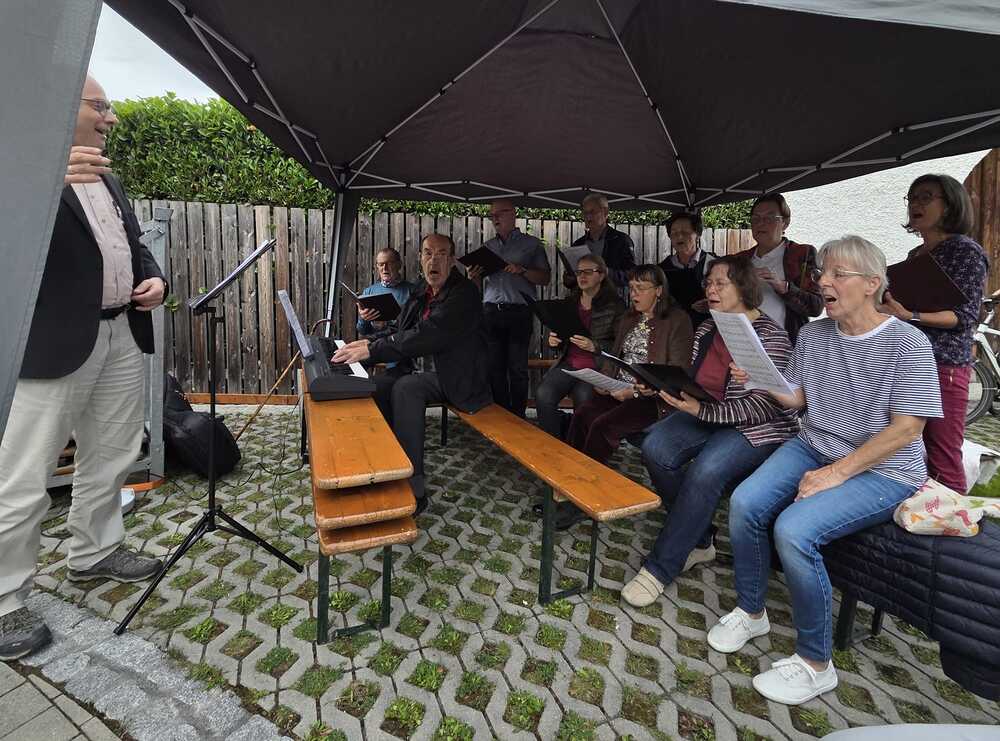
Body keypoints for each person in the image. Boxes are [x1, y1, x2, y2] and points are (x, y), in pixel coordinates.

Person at [707, 236, 942, 706]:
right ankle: (752, 612)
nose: (823, 282)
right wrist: (758, 378)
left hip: (885, 469)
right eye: (822, 273)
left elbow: (908, 429)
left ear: (872, 284)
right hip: (816, 445)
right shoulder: (814, 335)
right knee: (746, 503)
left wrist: (836, 474)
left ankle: (817, 664)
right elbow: (797, 398)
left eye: (837, 274)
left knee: (794, 530)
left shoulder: (908, 342)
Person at [0, 75, 167, 661]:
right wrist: (40, 184)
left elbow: (133, 245)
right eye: (101, 106)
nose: (111, 118)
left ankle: (95, 552)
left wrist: (155, 279)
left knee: (113, 452)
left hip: (121, 332)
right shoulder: (18, 171)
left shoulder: (109, 177)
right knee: (24, 474)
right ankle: (4, 599)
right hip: (53, 345)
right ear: (63, 102)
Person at [622, 256, 798, 607]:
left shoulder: (771, 336)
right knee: (655, 447)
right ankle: (701, 539)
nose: (710, 289)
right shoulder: (707, 329)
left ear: (743, 288)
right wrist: (660, 386)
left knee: (706, 470)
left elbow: (765, 407)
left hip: (756, 426)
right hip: (707, 412)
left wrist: (701, 410)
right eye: (709, 283)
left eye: (721, 283)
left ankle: (661, 567)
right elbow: (693, 382)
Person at [332, 234, 491, 514]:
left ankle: (414, 487)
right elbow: (401, 329)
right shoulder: (421, 290)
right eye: (428, 253)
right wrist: (367, 342)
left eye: (441, 254)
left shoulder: (464, 293)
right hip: (419, 371)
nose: (434, 260)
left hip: (457, 378)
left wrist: (373, 350)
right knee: (376, 387)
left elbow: (429, 334)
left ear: (452, 260)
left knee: (407, 388)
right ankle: (385, 468)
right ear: (420, 258)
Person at [877, 174, 988, 493]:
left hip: (943, 367)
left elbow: (965, 316)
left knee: (942, 455)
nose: (916, 204)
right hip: (907, 363)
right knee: (904, 447)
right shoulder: (916, 255)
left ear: (950, 205)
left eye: (926, 197)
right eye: (912, 197)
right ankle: (919, 512)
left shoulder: (965, 251)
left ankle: (954, 516)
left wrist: (909, 315)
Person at [560, 265, 693, 529]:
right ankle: (569, 484)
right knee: (583, 414)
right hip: (619, 389)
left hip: (653, 399)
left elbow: (677, 373)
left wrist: (634, 390)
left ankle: (585, 498)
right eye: (631, 288)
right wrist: (604, 381)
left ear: (659, 291)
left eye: (641, 288)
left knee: (603, 426)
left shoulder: (678, 321)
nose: (634, 294)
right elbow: (615, 357)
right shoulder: (628, 319)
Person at [467, 199, 550, 417]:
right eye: (492, 215)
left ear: (513, 214)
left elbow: (545, 278)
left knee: (517, 368)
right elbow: (478, 286)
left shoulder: (532, 244)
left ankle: (518, 415)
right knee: (494, 368)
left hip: (519, 312)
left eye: (499, 213)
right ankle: (502, 416)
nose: (495, 218)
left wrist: (522, 270)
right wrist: (474, 277)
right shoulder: (488, 247)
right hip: (491, 311)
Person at [534, 254, 626, 439]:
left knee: (584, 400)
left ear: (601, 275)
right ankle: (553, 446)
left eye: (588, 272)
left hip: (596, 368)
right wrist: (553, 342)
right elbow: (561, 334)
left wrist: (595, 346)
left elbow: (621, 345)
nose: (582, 276)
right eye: (578, 272)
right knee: (543, 394)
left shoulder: (615, 306)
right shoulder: (570, 302)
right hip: (568, 364)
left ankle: (580, 449)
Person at [734, 193, 822, 343]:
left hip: (786, 345)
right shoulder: (740, 259)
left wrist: (784, 287)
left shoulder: (802, 253)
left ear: (785, 223)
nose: (761, 223)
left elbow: (816, 307)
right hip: (744, 342)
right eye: (756, 218)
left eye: (769, 218)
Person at [563, 193, 636, 291]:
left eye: (592, 212)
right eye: (585, 212)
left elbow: (632, 275)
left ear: (605, 212)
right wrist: (569, 280)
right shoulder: (578, 244)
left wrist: (607, 272)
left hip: (611, 298)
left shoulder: (621, 240)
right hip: (584, 299)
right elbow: (572, 282)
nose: (588, 216)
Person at [659, 211, 714, 327]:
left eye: (685, 232)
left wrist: (712, 304)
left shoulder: (713, 264)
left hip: (707, 328)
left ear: (697, 235)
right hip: (673, 328)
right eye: (674, 233)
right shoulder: (662, 269)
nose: (679, 237)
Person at [356, 247, 416, 338]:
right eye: (381, 264)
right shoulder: (368, 292)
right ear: (377, 266)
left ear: (399, 265)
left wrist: (386, 324)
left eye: (389, 263)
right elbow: (362, 330)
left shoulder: (412, 291)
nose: (385, 268)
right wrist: (363, 318)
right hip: (375, 344)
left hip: (400, 345)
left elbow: (415, 328)